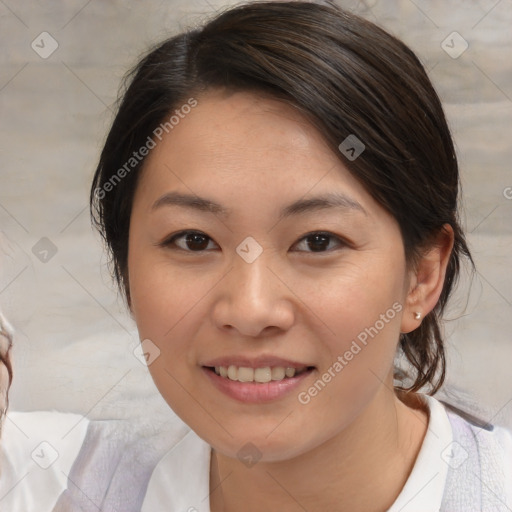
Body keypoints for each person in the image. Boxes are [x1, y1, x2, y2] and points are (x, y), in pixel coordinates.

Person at [2, 1, 512, 511]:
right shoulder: (41, 485)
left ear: (422, 276)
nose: (250, 310)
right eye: (194, 240)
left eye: (318, 241)